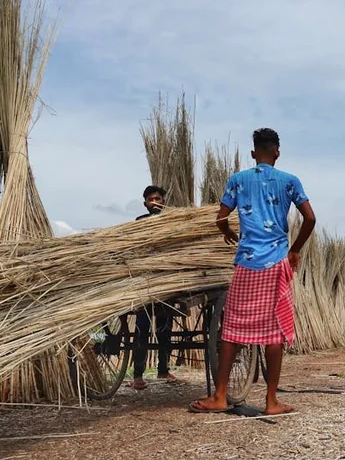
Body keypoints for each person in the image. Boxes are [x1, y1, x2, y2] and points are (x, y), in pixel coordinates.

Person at [189, 128, 316, 415]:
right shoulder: (289, 181)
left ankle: (220, 396)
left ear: (253, 153)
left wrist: (229, 231)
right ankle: (271, 401)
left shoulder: (238, 180)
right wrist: (294, 249)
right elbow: (310, 218)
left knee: (232, 329)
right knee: (273, 333)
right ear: (277, 153)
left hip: (246, 264)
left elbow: (220, 218)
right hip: (275, 263)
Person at [128, 185, 177, 390]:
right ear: (145, 203)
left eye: (158, 198)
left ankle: (163, 370)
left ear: (163, 201)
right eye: (151, 199)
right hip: (146, 282)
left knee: (165, 328)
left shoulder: (174, 221)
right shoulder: (140, 223)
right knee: (142, 328)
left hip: (166, 280)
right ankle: (138, 376)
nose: (155, 202)